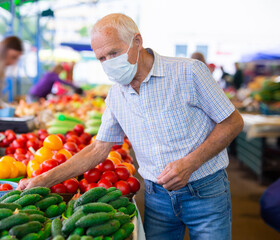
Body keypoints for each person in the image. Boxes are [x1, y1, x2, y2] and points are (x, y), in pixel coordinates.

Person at [18, 13, 244, 239]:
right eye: (101, 58)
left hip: (205, 191)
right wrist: (41, 181)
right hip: (157, 196)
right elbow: (97, 149)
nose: (108, 63)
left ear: (137, 42)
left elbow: (232, 121)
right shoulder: (117, 94)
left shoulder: (189, 72)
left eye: (114, 53)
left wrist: (190, 163)